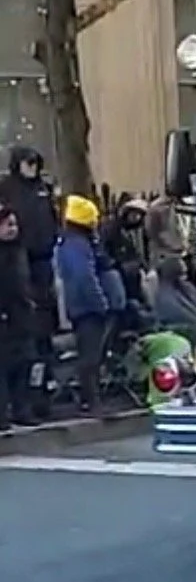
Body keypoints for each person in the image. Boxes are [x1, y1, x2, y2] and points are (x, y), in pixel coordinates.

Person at [0, 147, 60, 416]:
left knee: (41, 340)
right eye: (28, 162)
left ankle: (41, 398)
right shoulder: (8, 189)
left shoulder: (42, 190)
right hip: (22, 267)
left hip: (42, 266)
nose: (32, 167)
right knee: (19, 347)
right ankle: (18, 403)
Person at [54, 195, 118, 415]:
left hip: (81, 306)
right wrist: (100, 302)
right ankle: (91, 400)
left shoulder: (70, 243)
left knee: (91, 354)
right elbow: (85, 278)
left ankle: (89, 398)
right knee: (90, 356)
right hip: (87, 307)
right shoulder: (78, 245)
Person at [0, 201, 35, 430]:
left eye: (14, 224)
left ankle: (22, 410)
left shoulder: (20, 250)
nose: (13, 229)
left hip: (21, 314)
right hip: (4, 315)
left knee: (24, 363)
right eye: (7, 224)